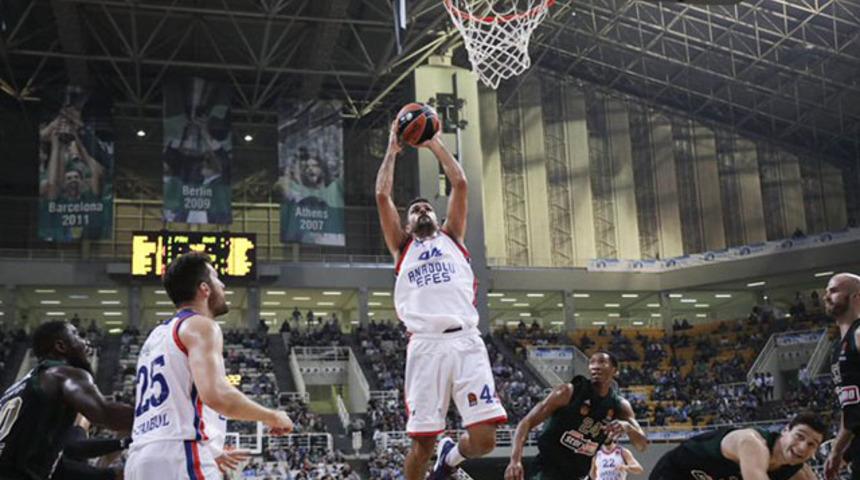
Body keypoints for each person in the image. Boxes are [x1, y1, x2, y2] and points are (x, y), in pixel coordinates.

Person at [376, 114, 507, 480]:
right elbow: (382, 195)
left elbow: (461, 183)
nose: (421, 210)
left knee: (484, 441)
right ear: (406, 224)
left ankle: (452, 456)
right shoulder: (402, 247)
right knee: (421, 445)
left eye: (426, 207)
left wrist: (433, 142)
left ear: (436, 215)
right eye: (414, 209)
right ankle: (435, 457)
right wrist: (393, 147)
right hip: (426, 347)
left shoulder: (453, 237)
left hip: (466, 342)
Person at [124, 252, 293, 479]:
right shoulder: (201, 326)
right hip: (178, 455)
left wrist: (211, 450)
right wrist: (271, 416)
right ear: (205, 289)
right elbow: (216, 394)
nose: (222, 284)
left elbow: (171, 406)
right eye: (216, 278)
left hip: (140, 458)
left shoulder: (155, 337)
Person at [0, 321, 133, 480]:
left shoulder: (16, 389)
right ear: (61, 346)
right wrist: (157, 413)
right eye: (77, 335)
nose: (85, 342)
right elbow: (106, 414)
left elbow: (58, 463)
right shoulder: (63, 374)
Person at [504, 351, 647, 480]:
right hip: (548, 469)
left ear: (614, 370)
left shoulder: (619, 405)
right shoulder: (568, 391)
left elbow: (642, 445)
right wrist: (515, 460)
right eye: (592, 362)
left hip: (577, 474)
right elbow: (526, 422)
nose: (595, 366)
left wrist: (628, 427)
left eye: (602, 362)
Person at [650, 411, 825, 480]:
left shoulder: (800, 472)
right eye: (799, 437)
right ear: (785, 430)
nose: (802, 447)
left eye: (811, 444)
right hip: (675, 473)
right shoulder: (752, 443)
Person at [824, 273, 860, 480]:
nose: (826, 295)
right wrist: (838, 451)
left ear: (857, 297)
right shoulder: (839, 346)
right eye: (827, 290)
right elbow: (852, 410)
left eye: (835, 290)